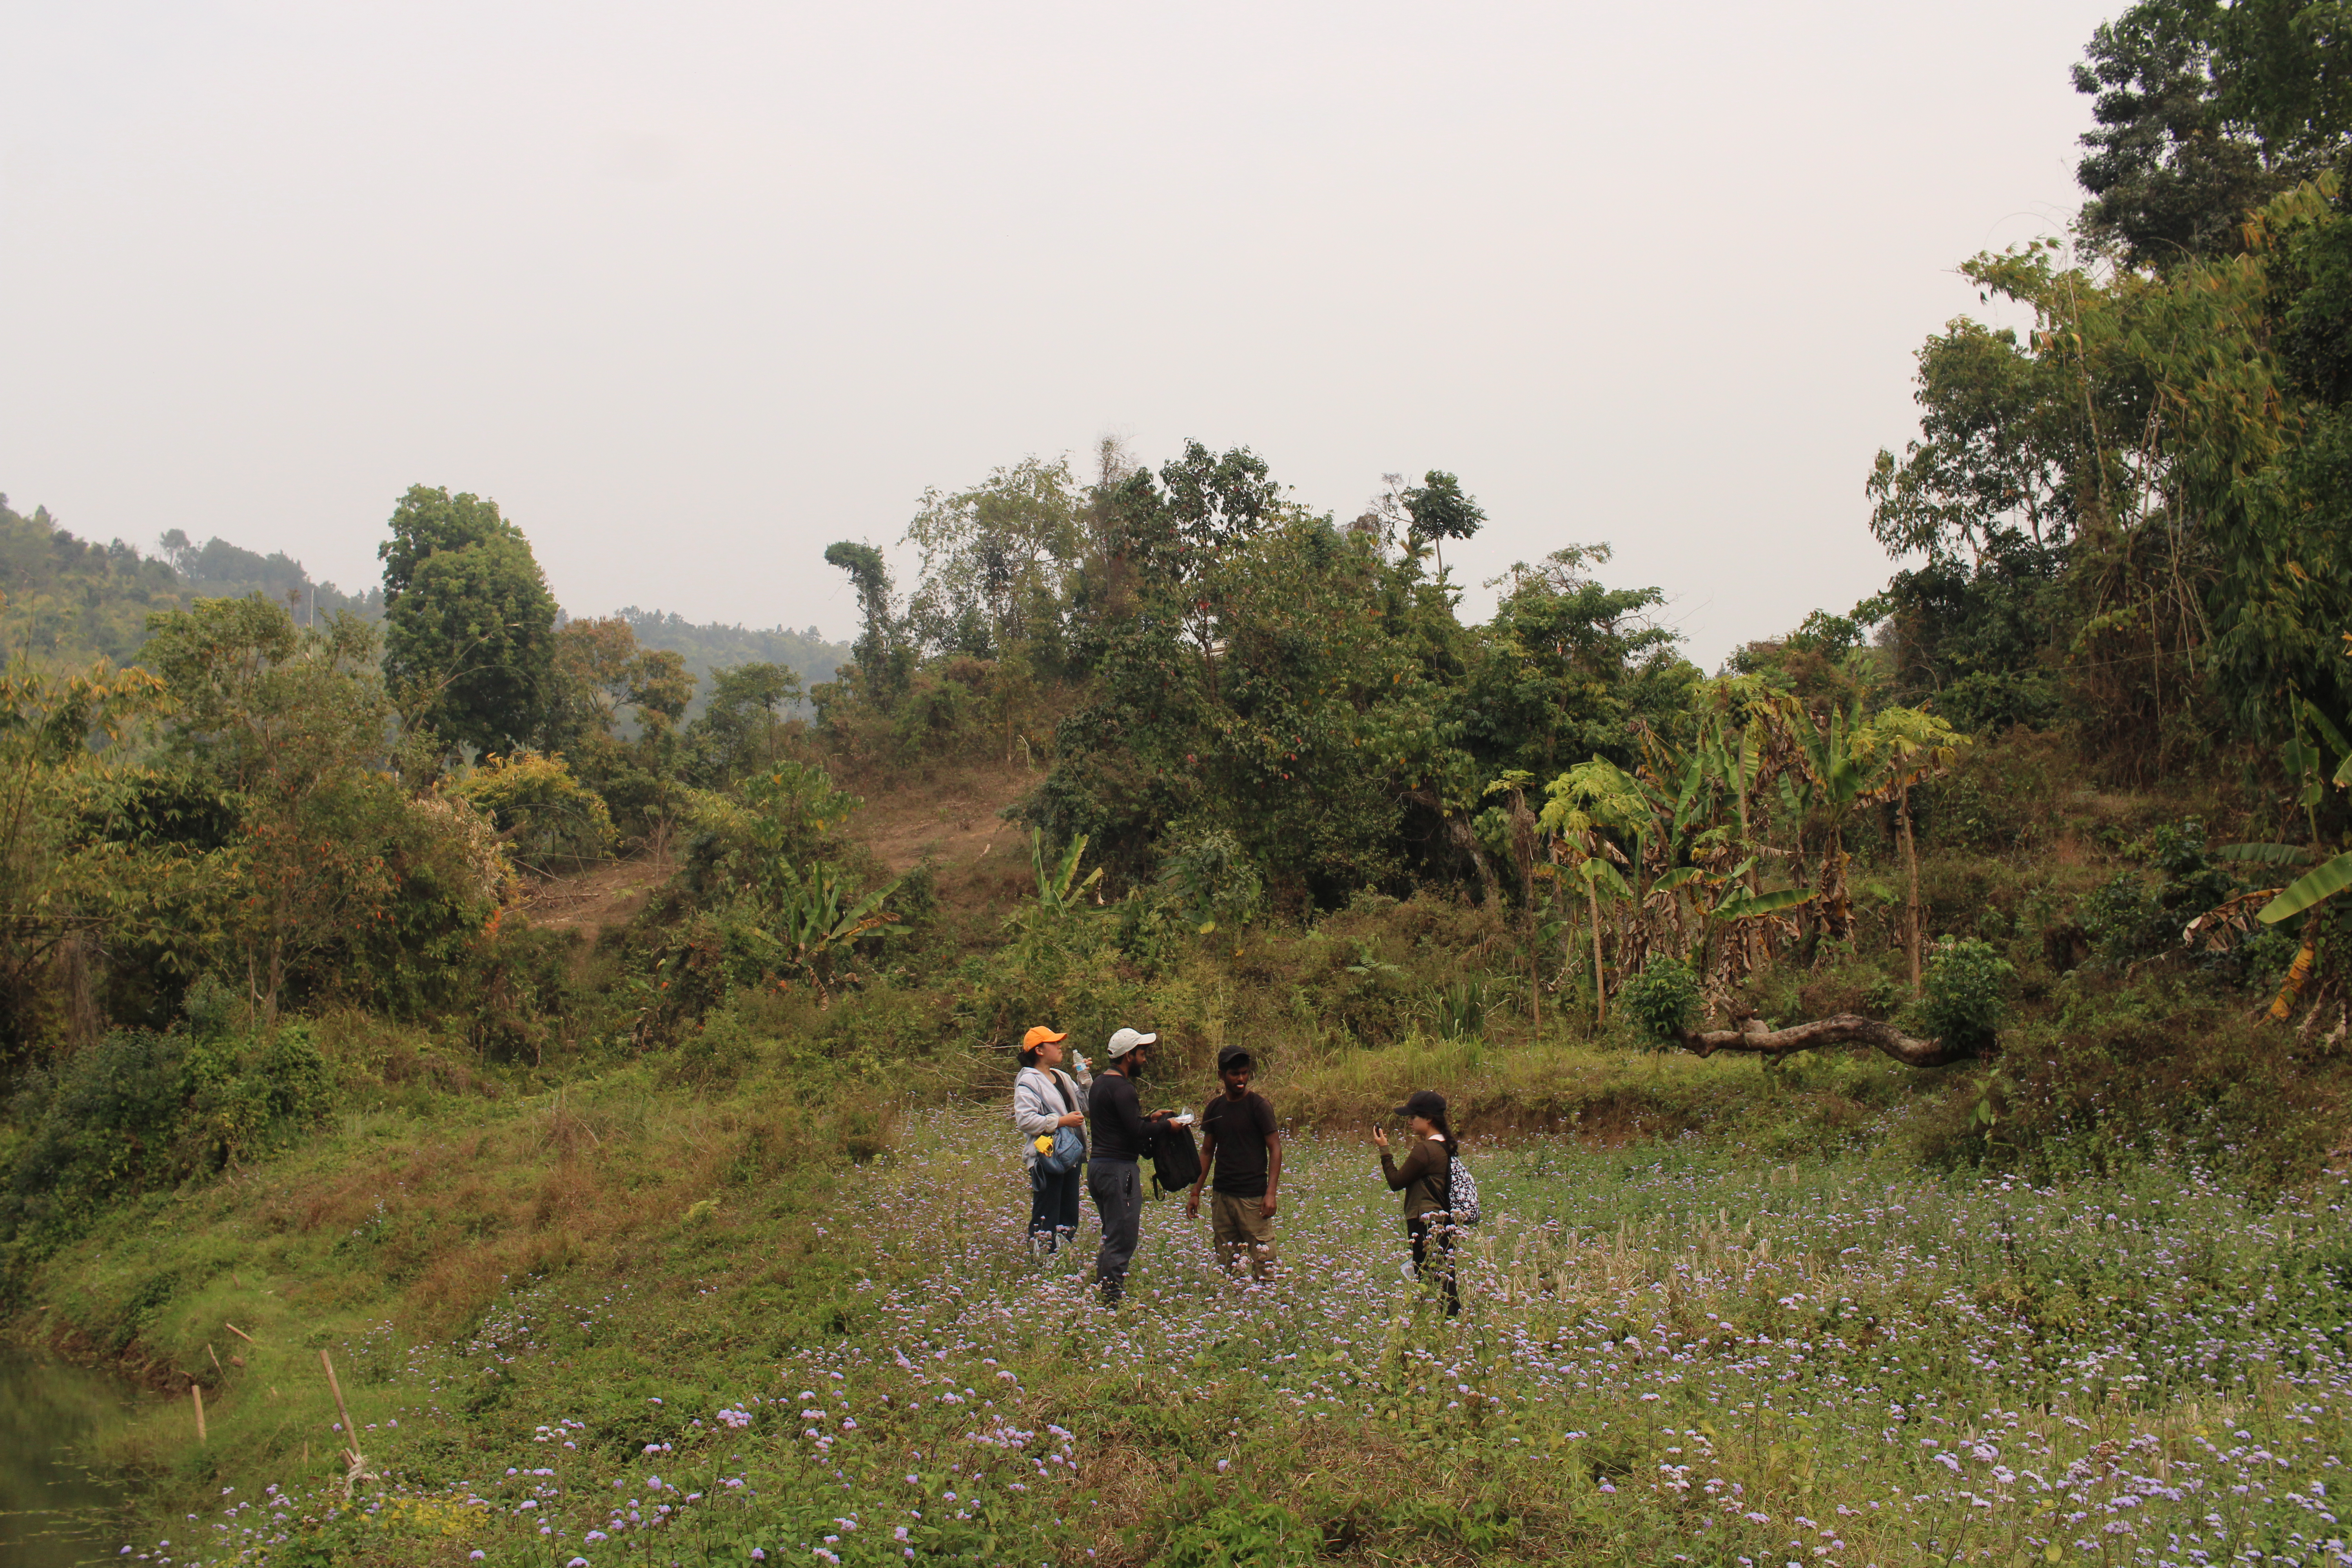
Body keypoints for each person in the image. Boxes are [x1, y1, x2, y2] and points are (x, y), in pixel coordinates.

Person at [1085, 1026, 1174, 1306]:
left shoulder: (1100, 1083)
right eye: (1142, 1054)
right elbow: (1136, 1132)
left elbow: (1120, 1125)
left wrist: (1150, 1118)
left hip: (1098, 1167)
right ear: (1128, 1056)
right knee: (1122, 1237)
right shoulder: (1124, 1088)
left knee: (1112, 1232)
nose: (1144, 1060)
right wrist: (1166, 1126)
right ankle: (1110, 1300)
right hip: (1118, 1171)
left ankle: (1102, 1291)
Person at [1186, 1045, 1280, 1279]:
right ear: (1221, 1075)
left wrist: (1271, 1194)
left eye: (1245, 1073)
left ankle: (1269, 1303)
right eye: (1234, 1074)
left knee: (1264, 1261)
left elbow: (1275, 1149)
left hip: (1252, 1199)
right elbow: (1207, 1152)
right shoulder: (1215, 1108)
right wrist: (1195, 1191)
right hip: (1223, 1198)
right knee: (1229, 1264)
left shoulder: (1259, 1106)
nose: (1241, 1079)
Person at [1372, 1089, 1460, 1317]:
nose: (1410, 1122)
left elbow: (1396, 1181)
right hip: (1444, 1223)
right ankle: (1450, 1326)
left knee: (1428, 1283)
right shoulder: (1446, 1148)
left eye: (1413, 1117)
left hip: (1424, 1223)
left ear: (1429, 1119)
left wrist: (1384, 1150)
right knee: (1445, 1281)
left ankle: (1435, 1329)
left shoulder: (1425, 1150)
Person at [1011, 1025, 1091, 1258]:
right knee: (1047, 1211)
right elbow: (1026, 1120)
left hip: (1070, 1155)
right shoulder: (1028, 1081)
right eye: (1054, 1043)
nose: (1059, 1047)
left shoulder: (1062, 1077)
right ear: (1039, 1050)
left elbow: (1086, 1107)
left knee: (1069, 1212)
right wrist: (1060, 1121)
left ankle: (1062, 1260)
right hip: (1046, 1156)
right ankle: (1041, 1261)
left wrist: (1084, 1079)